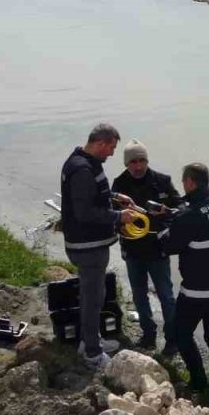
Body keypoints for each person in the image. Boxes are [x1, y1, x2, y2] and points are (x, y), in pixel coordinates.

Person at [59, 123, 138, 369]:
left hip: (89, 246)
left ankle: (89, 339)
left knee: (94, 295)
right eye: (111, 147)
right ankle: (93, 355)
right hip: (87, 247)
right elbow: (84, 212)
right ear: (100, 143)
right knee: (93, 299)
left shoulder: (84, 162)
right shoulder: (81, 169)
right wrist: (118, 216)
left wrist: (116, 198)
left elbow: (92, 195)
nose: (113, 153)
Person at [159, 162, 209, 406]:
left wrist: (164, 226)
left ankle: (199, 381)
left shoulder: (187, 217)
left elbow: (168, 245)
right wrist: (178, 214)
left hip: (196, 291)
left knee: (182, 333)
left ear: (190, 182)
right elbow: (200, 222)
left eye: (184, 182)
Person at [111, 139, 181, 356]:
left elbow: (180, 209)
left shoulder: (162, 181)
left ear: (147, 160)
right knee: (139, 295)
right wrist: (120, 223)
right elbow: (110, 216)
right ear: (126, 164)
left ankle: (172, 340)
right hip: (132, 251)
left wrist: (166, 213)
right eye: (133, 162)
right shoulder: (119, 185)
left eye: (142, 160)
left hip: (158, 250)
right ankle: (148, 335)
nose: (138, 166)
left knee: (166, 296)